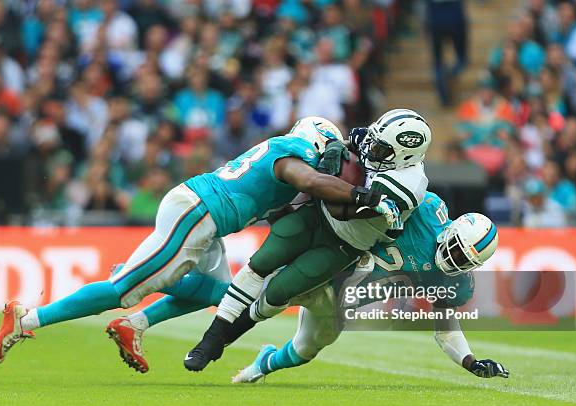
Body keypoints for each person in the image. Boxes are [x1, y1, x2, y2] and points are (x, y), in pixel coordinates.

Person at [0, 116, 395, 364]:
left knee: (222, 296)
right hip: (198, 212)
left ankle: (136, 323)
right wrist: (361, 196)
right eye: (333, 151)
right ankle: (27, 318)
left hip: (207, 217)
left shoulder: (286, 152)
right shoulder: (299, 151)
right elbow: (308, 180)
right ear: (320, 140)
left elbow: (286, 212)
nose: (337, 160)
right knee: (124, 289)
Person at [184, 108, 431, 372]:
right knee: (262, 261)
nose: (371, 151)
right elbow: (351, 147)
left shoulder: (408, 185)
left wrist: (336, 181)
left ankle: (226, 337)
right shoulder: (375, 143)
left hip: (344, 244)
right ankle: (210, 339)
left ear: (406, 156)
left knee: (279, 291)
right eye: (374, 143)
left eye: (381, 151)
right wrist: (336, 149)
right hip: (317, 215)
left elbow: (341, 209)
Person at [232, 193, 508, 383]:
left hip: (339, 302)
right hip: (324, 263)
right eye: (456, 250)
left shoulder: (455, 281)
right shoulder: (424, 212)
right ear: (450, 231)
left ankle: (262, 364)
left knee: (305, 350)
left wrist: (471, 362)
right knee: (254, 296)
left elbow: (445, 330)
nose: (453, 260)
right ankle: (206, 319)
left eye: (463, 261)